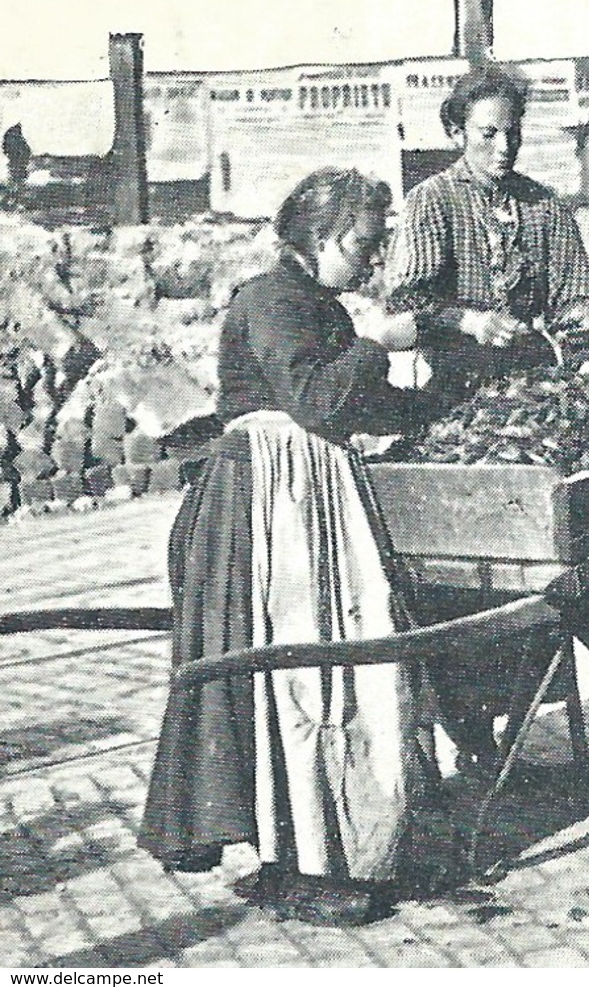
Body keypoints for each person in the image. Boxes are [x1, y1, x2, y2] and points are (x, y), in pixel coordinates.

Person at [140, 168, 436, 927]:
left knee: (326, 668)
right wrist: (375, 341)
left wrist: (436, 405)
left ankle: (326, 844)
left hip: (308, 495)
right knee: (296, 678)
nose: (372, 261)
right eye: (364, 244)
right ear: (323, 237)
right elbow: (316, 400)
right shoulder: (270, 299)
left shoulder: (316, 303)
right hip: (268, 504)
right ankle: (294, 863)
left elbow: (353, 397)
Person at [384, 64, 589, 391]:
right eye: (489, 134)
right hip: (455, 384)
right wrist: (469, 321)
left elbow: (574, 294)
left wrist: (583, 317)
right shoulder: (432, 201)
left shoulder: (545, 206)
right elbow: (405, 301)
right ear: (457, 133)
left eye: (513, 133)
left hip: (533, 380)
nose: (504, 147)